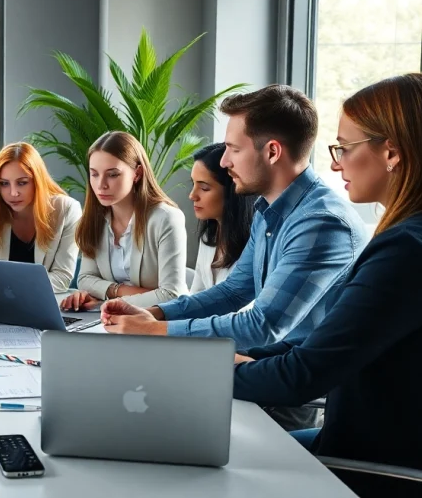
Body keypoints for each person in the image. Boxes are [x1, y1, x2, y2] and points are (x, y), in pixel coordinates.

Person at [100, 85, 368, 431]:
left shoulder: (321, 223)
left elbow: (264, 325)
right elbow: (233, 291)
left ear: (272, 152)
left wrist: (158, 331)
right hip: (259, 368)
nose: (225, 162)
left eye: (232, 149)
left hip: (288, 398)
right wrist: (152, 313)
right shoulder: (269, 208)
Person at [231, 73, 422, 498]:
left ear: (391, 152)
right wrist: (237, 359)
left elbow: (304, 375)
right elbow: (324, 341)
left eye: (344, 148)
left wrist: (203, 374)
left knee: (209, 470)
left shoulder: (408, 252)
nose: (334, 164)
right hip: (372, 449)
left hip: (370, 469)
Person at [60, 131, 188, 311]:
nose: (101, 185)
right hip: (108, 321)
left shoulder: (165, 218)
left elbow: (172, 295)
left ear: (137, 173)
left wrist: (106, 302)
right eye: (94, 174)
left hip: (156, 324)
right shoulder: (95, 218)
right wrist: (120, 290)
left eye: (112, 175)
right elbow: (85, 279)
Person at [0, 142, 81, 293]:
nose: (13, 193)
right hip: (2, 303)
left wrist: (11, 287)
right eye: (4, 184)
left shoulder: (67, 209)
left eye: (22, 183)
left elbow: (62, 278)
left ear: (37, 181)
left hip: (47, 304)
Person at [188, 143, 255, 293]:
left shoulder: (254, 245)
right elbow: (195, 296)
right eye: (193, 184)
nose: (192, 196)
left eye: (204, 188)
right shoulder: (208, 236)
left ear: (233, 191)